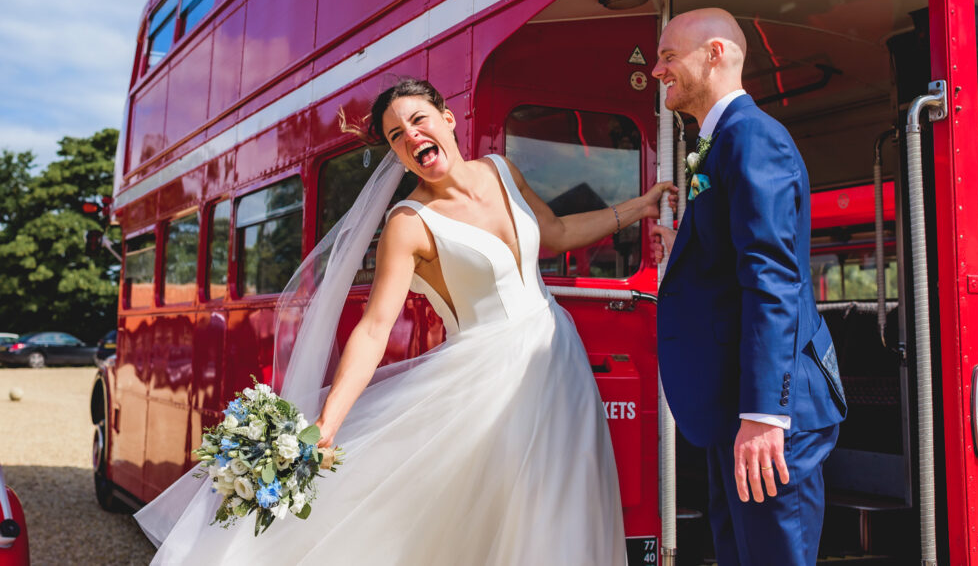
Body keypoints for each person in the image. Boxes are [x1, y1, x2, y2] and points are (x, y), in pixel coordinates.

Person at [137, 78, 676, 564]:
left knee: (565, 506)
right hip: (489, 385)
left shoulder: (501, 171)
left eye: (418, 120)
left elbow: (554, 233)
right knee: (502, 521)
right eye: (396, 136)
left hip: (559, 363)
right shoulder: (408, 224)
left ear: (446, 117)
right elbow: (373, 329)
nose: (410, 136)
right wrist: (325, 425)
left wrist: (642, 206)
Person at [650, 9, 847, 565]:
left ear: (715, 53)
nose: (657, 69)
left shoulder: (753, 139)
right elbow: (737, 263)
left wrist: (764, 414)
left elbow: (774, 280)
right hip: (733, 404)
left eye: (669, 56)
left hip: (767, 411)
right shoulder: (724, 140)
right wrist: (686, 249)